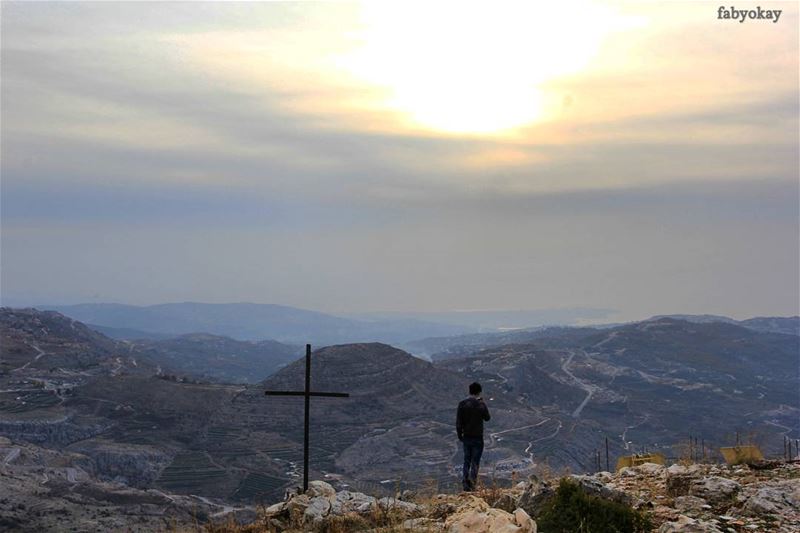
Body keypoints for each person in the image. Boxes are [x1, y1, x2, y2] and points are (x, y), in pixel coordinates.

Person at [456, 382, 491, 491]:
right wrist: (482, 403)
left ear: (469, 391)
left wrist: (460, 435)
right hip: (477, 438)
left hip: (466, 437)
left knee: (466, 460)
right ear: (479, 391)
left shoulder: (462, 404)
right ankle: (473, 484)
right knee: (475, 461)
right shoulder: (481, 405)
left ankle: (465, 485)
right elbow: (487, 418)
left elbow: (458, 422)